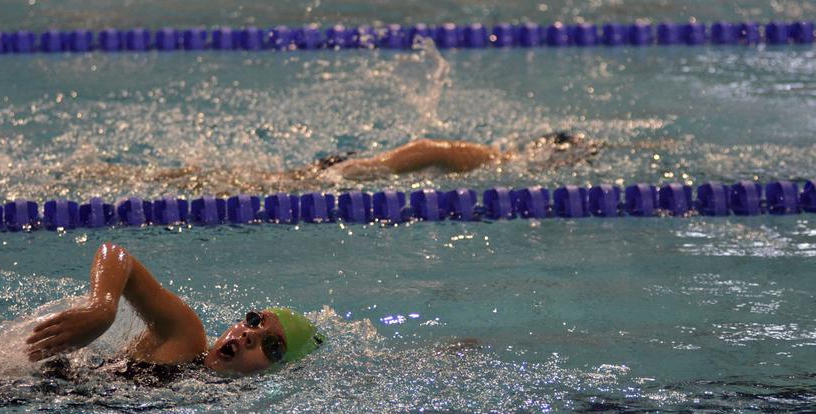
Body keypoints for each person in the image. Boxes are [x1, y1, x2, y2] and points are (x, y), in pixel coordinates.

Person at [0, 242, 324, 396]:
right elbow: (116, 254)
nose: (249, 335)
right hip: (23, 378)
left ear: (278, 372)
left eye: (271, 346)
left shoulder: (217, 399)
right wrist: (102, 307)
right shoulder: (186, 337)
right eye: (254, 321)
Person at [71, 132, 600, 193]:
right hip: (352, 169)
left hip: (354, 168)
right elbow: (427, 147)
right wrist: (371, 168)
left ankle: (116, 176)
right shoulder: (488, 157)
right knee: (246, 186)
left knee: (250, 184)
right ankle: (112, 177)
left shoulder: (497, 163)